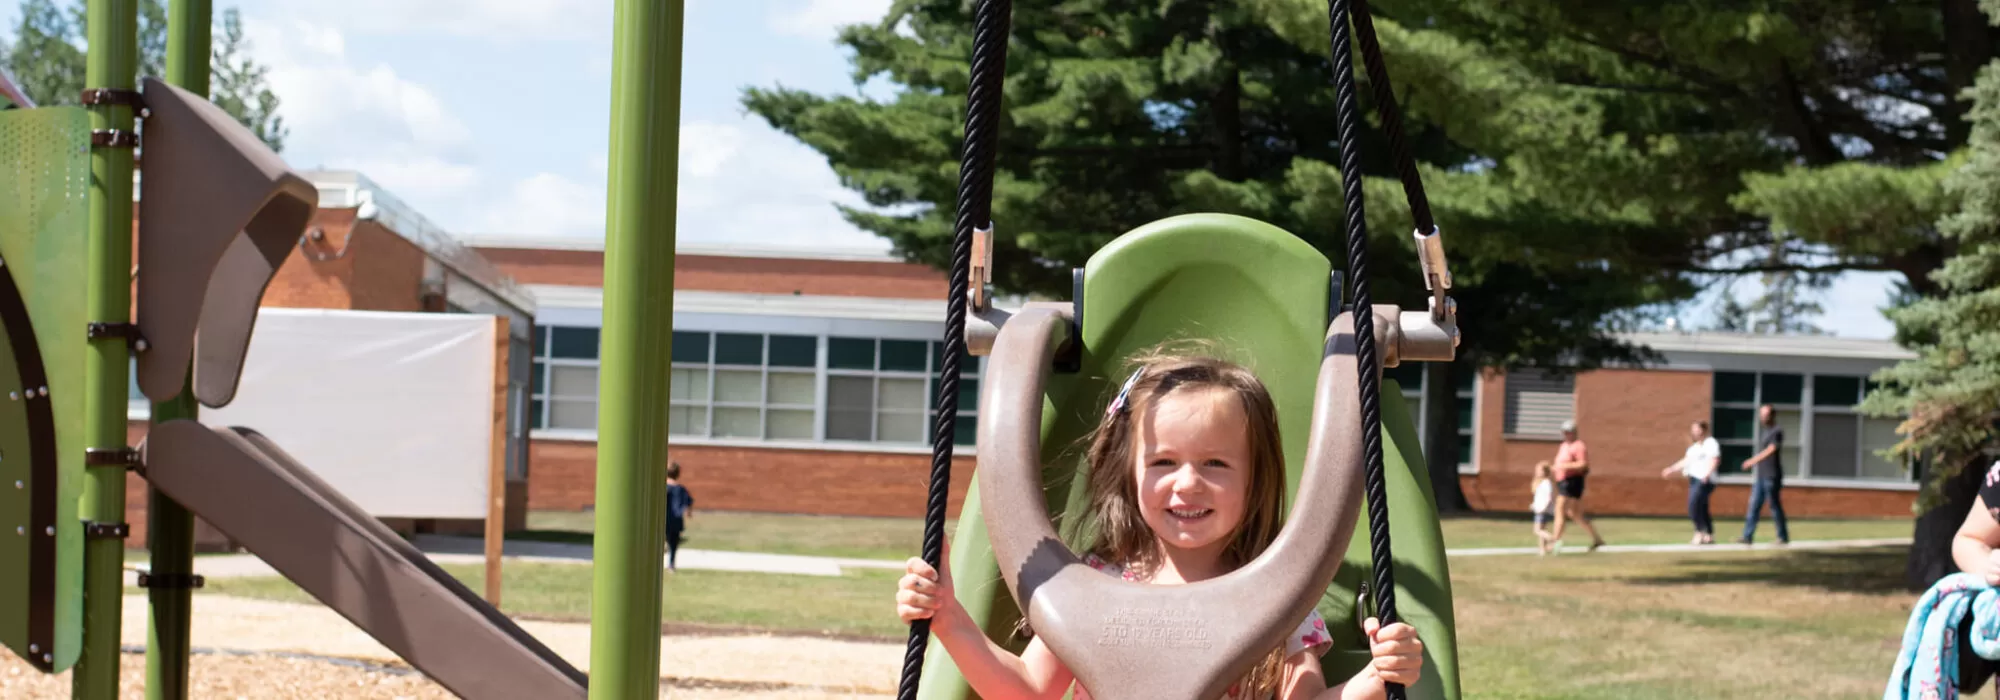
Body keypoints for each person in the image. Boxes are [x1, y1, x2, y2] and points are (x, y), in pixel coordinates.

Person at [894, 351, 1425, 700]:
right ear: (1131, 473)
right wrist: (949, 619)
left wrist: (1375, 678)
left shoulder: (1278, 593)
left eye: (1215, 464)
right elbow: (1030, 690)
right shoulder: (1094, 584)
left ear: (1255, 478)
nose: (1187, 483)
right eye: (1163, 462)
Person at [1659, 420, 1721, 545]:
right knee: (1702, 507)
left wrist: (1707, 474)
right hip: (1694, 479)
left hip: (1705, 479)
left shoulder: (1711, 443)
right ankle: (1709, 535)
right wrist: (1671, 469)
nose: (1693, 432)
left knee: (1693, 505)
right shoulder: (1694, 448)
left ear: (1703, 430)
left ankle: (1699, 532)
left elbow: (1715, 460)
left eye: (1696, 429)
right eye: (1693, 429)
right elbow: (1686, 461)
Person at [1549, 419, 1606, 552]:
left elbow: (1583, 464)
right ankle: (1597, 539)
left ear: (1574, 432)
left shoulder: (1578, 446)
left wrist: (1563, 466)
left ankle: (1555, 541)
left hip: (1572, 481)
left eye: (1568, 432)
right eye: (1564, 432)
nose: (1566, 434)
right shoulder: (1564, 446)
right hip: (1563, 481)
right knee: (1574, 514)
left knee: (1560, 509)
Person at [1737, 405, 1789, 545]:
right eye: (1761, 415)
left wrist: (1752, 461)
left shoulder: (1777, 431)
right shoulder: (1765, 432)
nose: (1762, 418)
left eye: (1765, 415)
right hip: (1761, 475)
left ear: (1772, 416)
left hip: (1772, 475)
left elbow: (1771, 450)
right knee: (1754, 505)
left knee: (1774, 506)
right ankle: (1747, 536)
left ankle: (1782, 537)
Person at [665, 461, 695, 571]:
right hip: (676, 520)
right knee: (674, 543)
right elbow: (688, 502)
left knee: (663, 537)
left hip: (664, 519)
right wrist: (689, 512)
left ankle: (665, 544)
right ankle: (671, 565)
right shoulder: (680, 489)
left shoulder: (663, 487)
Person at [1530, 461, 1557, 555]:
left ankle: (1553, 539)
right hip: (1540, 509)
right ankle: (1542, 549)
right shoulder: (1540, 483)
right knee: (1542, 529)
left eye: (1539, 470)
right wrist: (1534, 505)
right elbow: (1539, 497)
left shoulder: (1546, 483)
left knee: (1537, 530)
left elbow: (1549, 497)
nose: (1537, 472)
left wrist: (1544, 507)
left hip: (1543, 510)